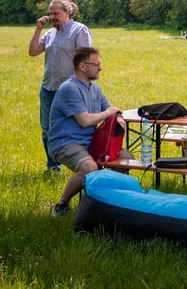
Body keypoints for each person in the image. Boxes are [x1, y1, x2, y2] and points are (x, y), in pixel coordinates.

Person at [47, 47, 134, 216]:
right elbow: (85, 121)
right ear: (82, 67)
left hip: (90, 142)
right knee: (89, 167)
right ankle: (62, 205)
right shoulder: (69, 88)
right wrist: (109, 113)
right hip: (65, 142)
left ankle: (100, 200)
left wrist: (119, 118)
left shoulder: (95, 88)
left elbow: (111, 110)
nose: (100, 68)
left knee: (127, 159)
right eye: (96, 64)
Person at [28, 0, 92, 173]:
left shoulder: (79, 31)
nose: (52, 17)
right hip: (48, 88)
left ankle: (81, 164)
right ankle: (53, 166)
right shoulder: (50, 33)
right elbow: (33, 52)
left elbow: (85, 60)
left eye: (56, 13)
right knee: (47, 129)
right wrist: (38, 29)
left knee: (73, 128)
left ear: (68, 12)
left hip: (69, 90)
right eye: (50, 13)